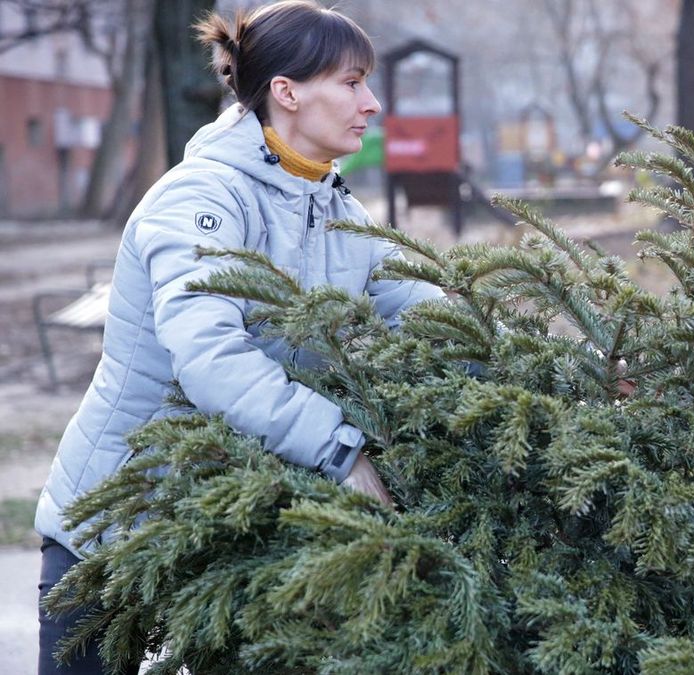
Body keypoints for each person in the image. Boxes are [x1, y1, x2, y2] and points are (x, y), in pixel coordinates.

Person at [34, 2, 443, 672]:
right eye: (350, 82)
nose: (370, 103)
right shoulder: (202, 200)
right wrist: (342, 451)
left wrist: (579, 368)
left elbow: (434, 319)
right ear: (286, 91)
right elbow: (211, 356)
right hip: (122, 523)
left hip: (232, 529)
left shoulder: (337, 207)